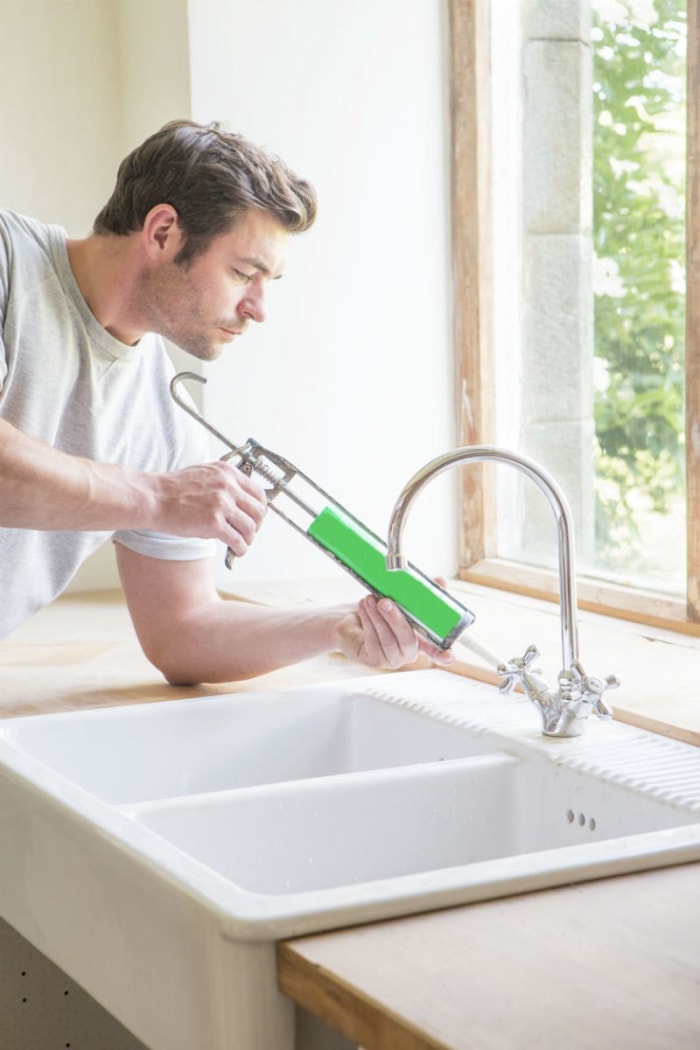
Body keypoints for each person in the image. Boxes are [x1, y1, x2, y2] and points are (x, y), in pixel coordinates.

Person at [0, 119, 453, 684]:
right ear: (162, 232)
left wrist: (339, 627)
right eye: (244, 273)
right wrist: (158, 496)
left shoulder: (163, 417)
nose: (259, 308)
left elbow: (182, 631)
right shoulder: (8, 262)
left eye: (269, 282)